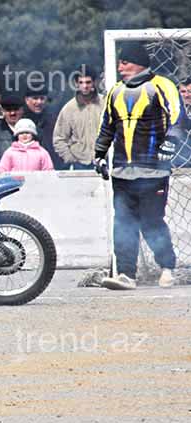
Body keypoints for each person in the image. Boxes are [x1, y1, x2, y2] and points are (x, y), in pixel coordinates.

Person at [95, 41, 185, 290]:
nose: (120, 66)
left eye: (125, 62)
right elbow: (107, 126)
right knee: (122, 223)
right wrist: (99, 154)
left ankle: (167, 267)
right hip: (122, 171)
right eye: (120, 62)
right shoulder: (114, 91)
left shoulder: (162, 85)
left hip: (154, 171)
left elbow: (179, 120)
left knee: (151, 222)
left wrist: (169, 148)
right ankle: (126, 274)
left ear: (139, 63)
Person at [53, 65, 105, 170]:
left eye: (88, 82)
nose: (85, 86)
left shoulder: (105, 103)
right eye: (81, 82)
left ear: (94, 82)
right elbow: (59, 139)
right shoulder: (69, 108)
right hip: (80, 163)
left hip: (104, 160)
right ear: (76, 84)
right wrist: (71, 159)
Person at [23, 86, 64, 169]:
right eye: (35, 98)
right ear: (27, 100)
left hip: (51, 169)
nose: (39, 102)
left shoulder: (54, 121)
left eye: (42, 98)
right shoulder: (22, 122)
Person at [0, 94, 25, 169]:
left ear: (22, 110)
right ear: (3, 111)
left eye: (16, 109)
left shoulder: (32, 129)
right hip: (2, 177)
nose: (12, 113)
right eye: (8, 110)